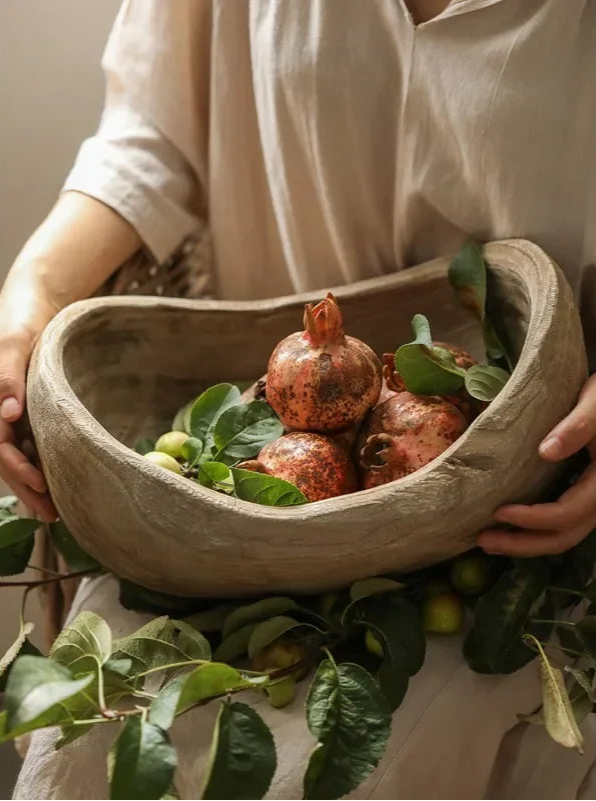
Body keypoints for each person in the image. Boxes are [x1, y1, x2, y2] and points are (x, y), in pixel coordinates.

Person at [2, 0, 596, 798]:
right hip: (225, 516)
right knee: (90, 755)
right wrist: (27, 303)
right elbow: (146, 142)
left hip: (528, 527)